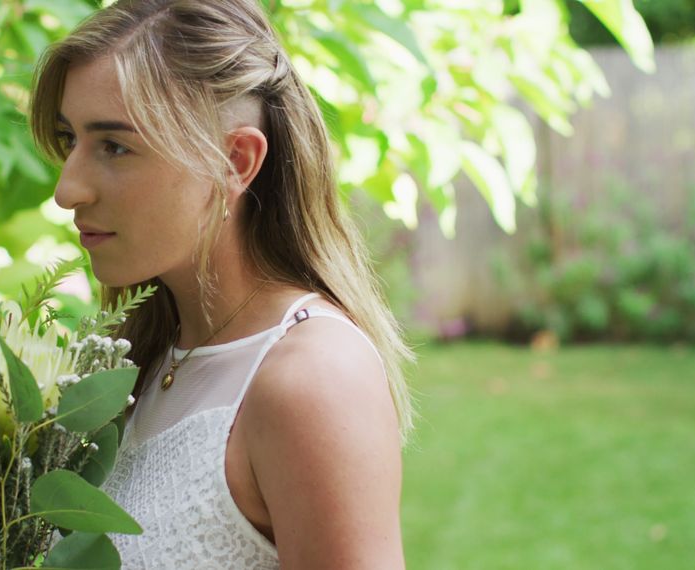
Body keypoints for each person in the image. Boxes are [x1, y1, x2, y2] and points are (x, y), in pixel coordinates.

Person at [30, 0, 414, 567]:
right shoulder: (138, 359)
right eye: (70, 140)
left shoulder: (311, 379)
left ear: (235, 161)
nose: (68, 190)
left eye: (114, 146)